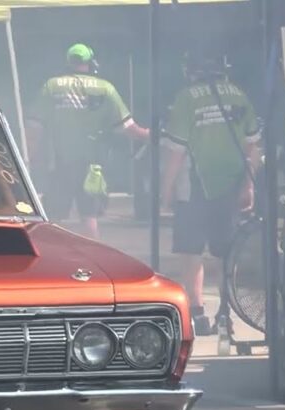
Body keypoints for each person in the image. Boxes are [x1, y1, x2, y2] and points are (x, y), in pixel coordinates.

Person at [162, 48, 261, 336]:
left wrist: (165, 190)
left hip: (193, 185)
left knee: (190, 250)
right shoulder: (239, 95)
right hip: (231, 184)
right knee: (224, 252)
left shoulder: (185, 98)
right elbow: (253, 146)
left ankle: (197, 314)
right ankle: (225, 314)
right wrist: (249, 185)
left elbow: (176, 152)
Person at [29, 43, 149, 239]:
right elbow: (128, 127)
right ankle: (91, 255)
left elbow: (35, 127)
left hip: (59, 163)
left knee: (54, 218)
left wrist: (31, 156)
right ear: (91, 63)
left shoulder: (51, 86)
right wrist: (149, 135)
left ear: (68, 62)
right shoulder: (106, 88)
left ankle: (53, 255)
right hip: (92, 166)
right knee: (89, 216)